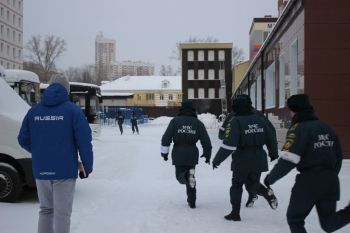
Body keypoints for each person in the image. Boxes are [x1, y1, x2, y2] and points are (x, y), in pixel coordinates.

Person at [17, 74, 93, 233]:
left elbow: (23, 139)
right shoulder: (73, 111)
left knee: (46, 210)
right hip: (64, 170)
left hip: (41, 170)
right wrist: (87, 166)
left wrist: (40, 152)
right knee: (62, 214)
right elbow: (84, 141)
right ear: (67, 90)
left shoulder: (34, 111)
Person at [264, 94, 350, 233]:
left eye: (290, 111)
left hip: (309, 181)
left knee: (295, 218)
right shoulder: (326, 127)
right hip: (331, 180)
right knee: (328, 223)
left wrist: (270, 178)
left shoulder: (298, 129)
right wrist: (330, 176)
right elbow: (338, 156)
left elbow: (289, 159)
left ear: (295, 111)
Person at [212, 95, 278, 221]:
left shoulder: (235, 120)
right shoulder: (260, 119)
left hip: (242, 158)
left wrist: (217, 160)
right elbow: (271, 135)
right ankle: (265, 192)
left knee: (237, 185)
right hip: (259, 157)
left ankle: (235, 213)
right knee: (253, 183)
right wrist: (273, 152)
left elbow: (229, 144)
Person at [161, 100, 212, 208]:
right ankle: (192, 202)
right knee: (191, 178)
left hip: (178, 153)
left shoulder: (175, 121)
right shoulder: (198, 123)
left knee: (180, 177)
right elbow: (206, 141)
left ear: (182, 109)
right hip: (192, 153)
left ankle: (186, 176)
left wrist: (164, 153)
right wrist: (207, 154)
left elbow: (166, 138)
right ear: (192, 109)